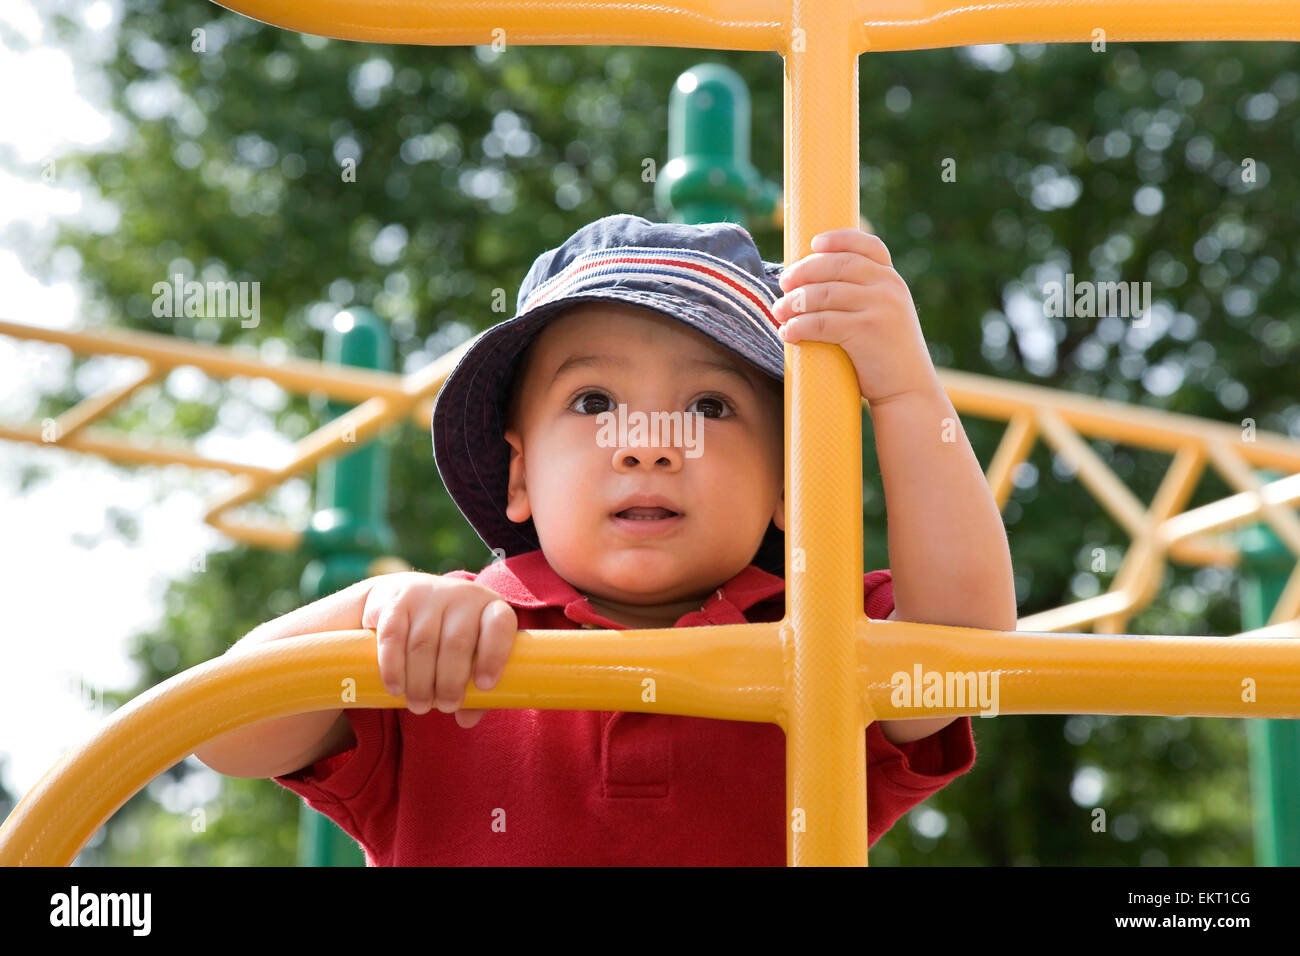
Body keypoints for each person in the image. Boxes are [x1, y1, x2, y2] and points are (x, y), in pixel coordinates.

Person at [194, 213, 1017, 865]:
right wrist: (375, 611)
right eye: (593, 403)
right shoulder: (450, 647)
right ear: (519, 478)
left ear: (784, 487)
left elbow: (967, 650)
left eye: (709, 408)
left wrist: (905, 390)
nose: (649, 443)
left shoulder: (823, 644)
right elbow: (224, 729)